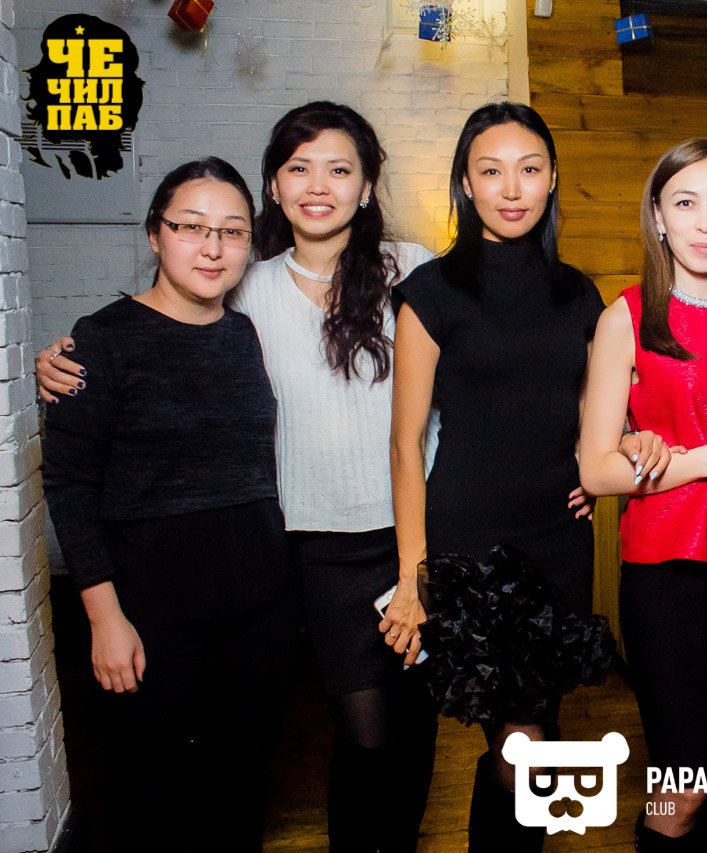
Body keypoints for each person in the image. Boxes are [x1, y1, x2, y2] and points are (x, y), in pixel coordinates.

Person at [37, 102, 439, 853]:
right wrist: (65, 361)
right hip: (304, 550)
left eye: (339, 169)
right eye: (298, 167)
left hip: (407, 533)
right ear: (274, 188)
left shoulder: (412, 270)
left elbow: (487, 359)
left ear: (367, 185)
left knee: (408, 723)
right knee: (361, 730)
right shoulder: (245, 288)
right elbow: (138, 360)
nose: (317, 185)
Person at [387, 101, 668, 852]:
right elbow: (406, 445)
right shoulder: (430, 293)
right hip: (471, 546)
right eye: (491, 170)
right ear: (465, 183)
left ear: (551, 179)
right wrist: (413, 574)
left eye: (529, 169)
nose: (512, 188)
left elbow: (594, 420)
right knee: (522, 745)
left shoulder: (579, 295)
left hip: (558, 539)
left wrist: (624, 443)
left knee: (534, 731)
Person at [42, 158, 296, 852]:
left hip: (258, 607)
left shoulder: (247, 334)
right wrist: (104, 618)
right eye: (192, 228)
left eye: (232, 231)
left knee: (240, 790)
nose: (213, 248)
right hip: (150, 613)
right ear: (156, 234)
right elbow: (69, 484)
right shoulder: (102, 338)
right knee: (152, 799)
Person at [579, 138, 707, 852]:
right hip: (670, 583)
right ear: (658, 217)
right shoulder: (627, 317)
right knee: (683, 791)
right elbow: (598, 471)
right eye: (685, 202)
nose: (705, 222)